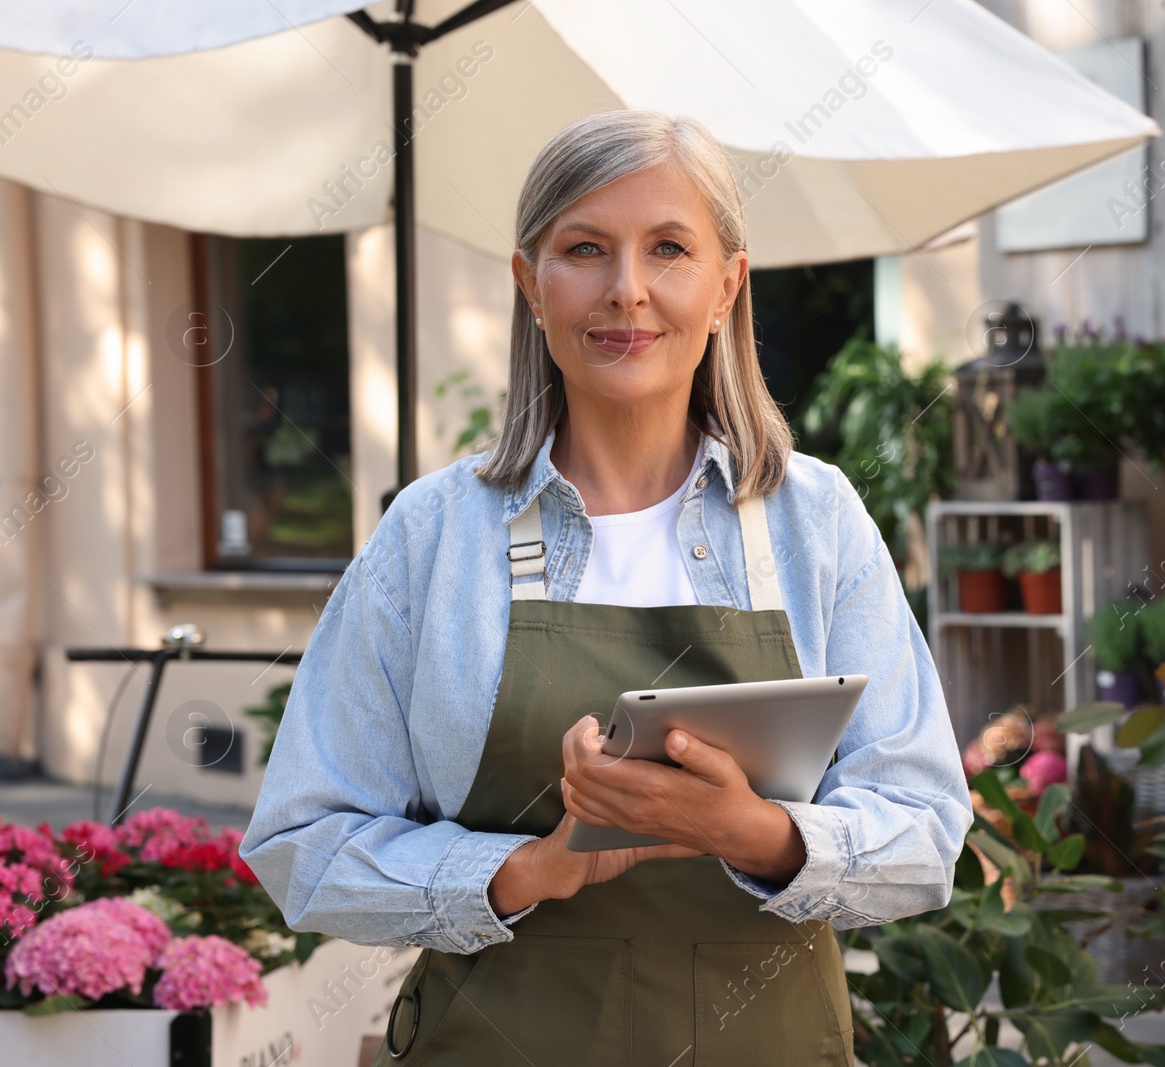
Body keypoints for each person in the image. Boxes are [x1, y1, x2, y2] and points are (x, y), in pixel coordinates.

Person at [240, 108, 972, 1067]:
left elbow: (924, 832)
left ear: (726, 287)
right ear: (529, 286)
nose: (627, 290)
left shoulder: (817, 521)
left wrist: (751, 832)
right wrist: (528, 870)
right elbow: (305, 845)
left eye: (669, 249)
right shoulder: (433, 534)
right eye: (585, 249)